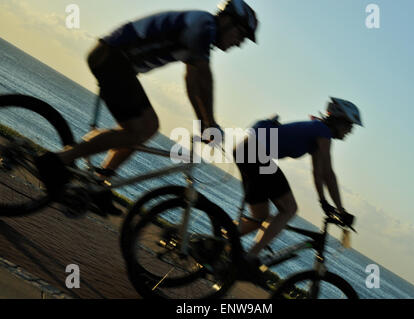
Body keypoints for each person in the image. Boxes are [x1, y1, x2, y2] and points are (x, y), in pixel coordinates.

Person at [35, 0, 258, 215]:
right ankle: (57, 161)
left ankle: (98, 183)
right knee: (145, 128)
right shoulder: (204, 25)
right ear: (227, 21)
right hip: (113, 58)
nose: (238, 43)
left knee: (140, 130)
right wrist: (210, 123)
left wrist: (203, 123)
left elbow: (192, 82)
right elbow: (204, 77)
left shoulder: (202, 30)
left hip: (116, 61)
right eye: (240, 35)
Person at [233, 97, 361, 268]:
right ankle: (249, 258)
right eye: (349, 126)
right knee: (289, 208)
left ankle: (220, 242)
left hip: (246, 151)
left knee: (260, 217)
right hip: (256, 154)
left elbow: (318, 173)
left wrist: (323, 201)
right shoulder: (323, 132)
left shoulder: (317, 131)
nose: (350, 131)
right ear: (339, 122)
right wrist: (341, 210)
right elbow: (328, 174)